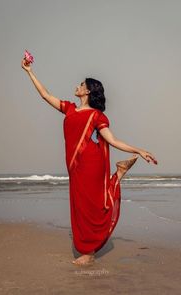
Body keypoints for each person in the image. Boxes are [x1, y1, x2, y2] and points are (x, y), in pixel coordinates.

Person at [21, 58, 158, 266]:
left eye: (81, 84)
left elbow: (111, 140)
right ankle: (119, 174)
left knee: (90, 206)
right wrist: (29, 71)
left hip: (91, 165)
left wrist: (139, 149)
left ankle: (88, 251)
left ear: (87, 92)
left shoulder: (97, 116)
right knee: (78, 205)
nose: (77, 86)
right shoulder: (69, 109)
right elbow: (45, 95)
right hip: (75, 167)